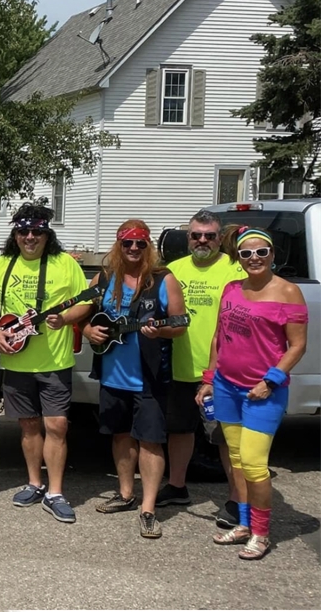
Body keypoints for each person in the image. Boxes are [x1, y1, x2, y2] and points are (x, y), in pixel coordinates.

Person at [197, 227, 308, 560]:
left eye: (262, 252)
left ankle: (261, 533)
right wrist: (209, 379)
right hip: (227, 387)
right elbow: (219, 336)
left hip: (263, 393)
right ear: (239, 258)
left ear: (272, 254)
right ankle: (244, 524)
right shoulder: (231, 289)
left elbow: (298, 345)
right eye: (246, 254)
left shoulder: (289, 292)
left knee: (255, 465)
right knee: (237, 461)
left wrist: (270, 380)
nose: (254, 259)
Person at [78, 221, 186, 539]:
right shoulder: (106, 278)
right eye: (128, 243)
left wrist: (161, 329)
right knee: (120, 436)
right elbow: (82, 310)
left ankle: (148, 508)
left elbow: (180, 324)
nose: (134, 249)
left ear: (148, 245)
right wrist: (86, 330)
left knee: (151, 441)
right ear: (118, 245)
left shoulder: (163, 280)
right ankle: (126, 494)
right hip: (113, 375)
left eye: (140, 243)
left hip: (149, 376)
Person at [0, 202, 87, 524]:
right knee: (28, 426)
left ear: (47, 234)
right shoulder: (2, 265)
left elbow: (86, 301)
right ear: (15, 234)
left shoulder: (64, 264)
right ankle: (34, 482)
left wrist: (66, 318)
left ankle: (55, 492)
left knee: (56, 425)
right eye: (24, 231)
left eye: (37, 232)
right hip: (16, 363)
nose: (30, 237)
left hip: (54, 361)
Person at [159, 211, 244, 526]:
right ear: (188, 238)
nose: (202, 241)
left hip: (222, 371)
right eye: (196, 235)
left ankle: (236, 502)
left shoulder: (236, 269)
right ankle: (177, 486)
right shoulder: (172, 270)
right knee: (179, 431)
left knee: (225, 438)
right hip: (179, 367)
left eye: (209, 235)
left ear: (219, 238)